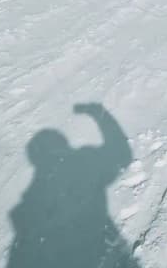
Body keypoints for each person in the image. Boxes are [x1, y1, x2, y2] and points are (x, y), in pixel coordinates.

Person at [7, 103, 140, 268]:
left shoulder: (31, 201)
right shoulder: (85, 161)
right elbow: (122, 156)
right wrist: (99, 114)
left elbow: (122, 157)